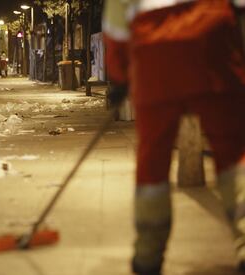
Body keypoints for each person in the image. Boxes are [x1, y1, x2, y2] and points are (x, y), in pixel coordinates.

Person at [102, 0, 245, 274]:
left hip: (154, 57)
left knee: (152, 162)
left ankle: (148, 257)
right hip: (212, 46)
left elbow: (116, 28)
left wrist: (120, 77)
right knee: (233, 154)